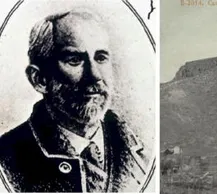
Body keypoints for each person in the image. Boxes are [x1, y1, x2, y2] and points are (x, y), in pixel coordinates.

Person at [0, 9, 150, 192]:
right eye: (74, 60)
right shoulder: (7, 158)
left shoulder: (142, 151)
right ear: (40, 79)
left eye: (100, 58)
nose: (94, 75)